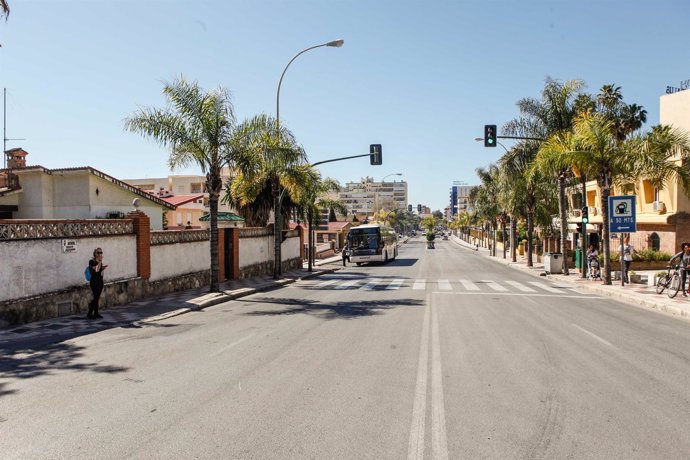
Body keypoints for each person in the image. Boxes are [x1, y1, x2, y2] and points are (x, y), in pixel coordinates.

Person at [87, 247, 108, 319]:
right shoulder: (91, 261)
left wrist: (103, 267)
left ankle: (96, 313)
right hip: (94, 282)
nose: (100, 254)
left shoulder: (99, 261)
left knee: (97, 298)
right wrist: (100, 262)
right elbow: (96, 269)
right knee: (95, 298)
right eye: (98, 252)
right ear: (95, 254)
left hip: (100, 282)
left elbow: (99, 271)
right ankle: (89, 314)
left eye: (101, 252)